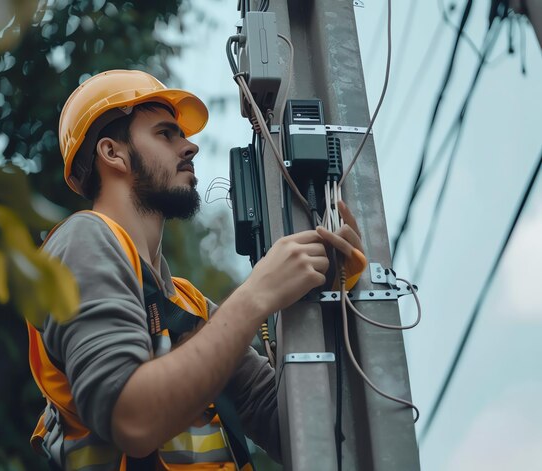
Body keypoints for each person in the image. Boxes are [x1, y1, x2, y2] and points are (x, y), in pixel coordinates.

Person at [27, 69, 365, 471]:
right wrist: (256, 296)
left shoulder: (186, 301)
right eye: (166, 134)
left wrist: (333, 296)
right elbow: (131, 419)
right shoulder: (83, 240)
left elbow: (296, 429)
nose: (189, 147)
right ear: (112, 153)